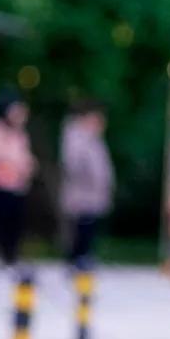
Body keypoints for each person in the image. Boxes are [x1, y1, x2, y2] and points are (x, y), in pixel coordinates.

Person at [59, 100, 114, 270]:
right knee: (79, 228)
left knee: (89, 227)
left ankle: (84, 257)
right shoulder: (76, 137)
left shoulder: (94, 140)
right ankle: (75, 260)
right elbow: (73, 164)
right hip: (81, 192)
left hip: (93, 193)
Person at [0, 91, 36, 269]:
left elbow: (24, 158)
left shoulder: (20, 135)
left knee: (14, 224)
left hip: (16, 186)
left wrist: (28, 166)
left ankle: (10, 256)